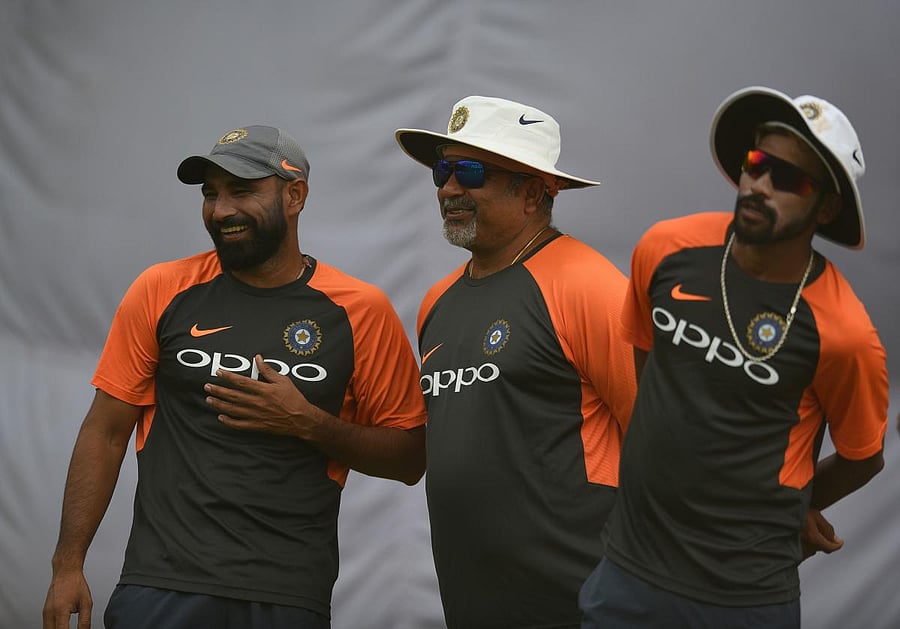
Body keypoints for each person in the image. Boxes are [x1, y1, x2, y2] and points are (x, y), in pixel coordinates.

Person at [42, 125, 427, 629]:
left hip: (287, 592)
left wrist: (309, 423)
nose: (221, 210)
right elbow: (105, 432)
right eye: (210, 194)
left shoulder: (360, 311)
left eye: (241, 191)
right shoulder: (162, 289)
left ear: (295, 196)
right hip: (160, 582)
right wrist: (67, 565)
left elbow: (410, 458)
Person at [580, 87, 889, 628]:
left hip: (744, 598)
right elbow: (648, 373)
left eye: (789, 179)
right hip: (628, 574)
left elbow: (864, 457)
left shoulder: (844, 334)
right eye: (757, 163)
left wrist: (791, 507)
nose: (760, 185)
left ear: (828, 207)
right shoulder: (666, 247)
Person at [395, 95, 637, 628]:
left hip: (583, 600)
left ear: (533, 193)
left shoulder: (588, 285)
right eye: (443, 170)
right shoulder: (438, 300)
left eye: (471, 172)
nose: (448, 189)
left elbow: (661, 437)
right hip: (474, 602)